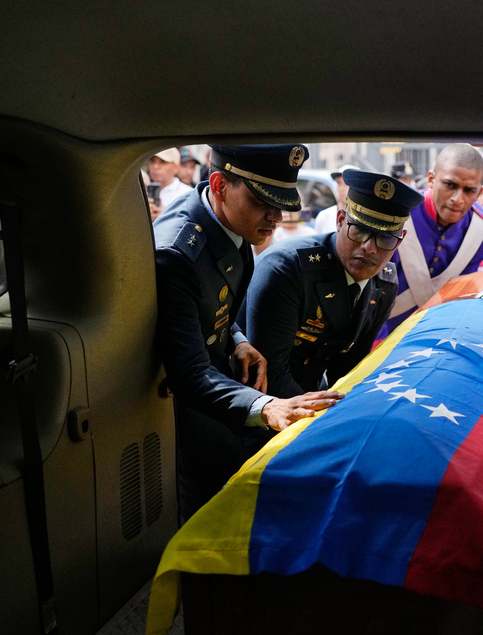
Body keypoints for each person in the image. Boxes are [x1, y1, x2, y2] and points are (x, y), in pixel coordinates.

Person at [153, 144, 344, 524]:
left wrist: (237, 339)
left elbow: (215, 301)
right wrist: (267, 406)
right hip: (180, 407)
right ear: (221, 184)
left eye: (282, 202)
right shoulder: (177, 252)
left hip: (219, 385)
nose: (276, 216)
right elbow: (188, 370)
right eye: (263, 202)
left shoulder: (230, 224)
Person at [245, 169, 423, 397]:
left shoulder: (384, 284)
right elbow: (269, 373)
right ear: (340, 221)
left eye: (385, 237)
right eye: (360, 230)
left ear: (400, 241)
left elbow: (348, 371)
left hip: (312, 396)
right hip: (260, 403)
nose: (369, 247)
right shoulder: (287, 269)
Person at [377, 144, 483, 339]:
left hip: (438, 335)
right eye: (450, 185)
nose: (458, 199)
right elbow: (373, 288)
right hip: (382, 332)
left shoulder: (480, 229)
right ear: (431, 179)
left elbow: (462, 296)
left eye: (469, 191)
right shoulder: (398, 214)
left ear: (479, 193)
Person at [147, 148, 193, 219]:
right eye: (152, 161)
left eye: (163, 162)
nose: (155, 166)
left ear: (176, 167)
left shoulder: (188, 194)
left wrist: (163, 217)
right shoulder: (141, 190)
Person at [314, 164, 359, 234]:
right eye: (339, 183)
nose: (341, 188)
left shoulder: (363, 219)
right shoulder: (324, 217)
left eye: (347, 184)